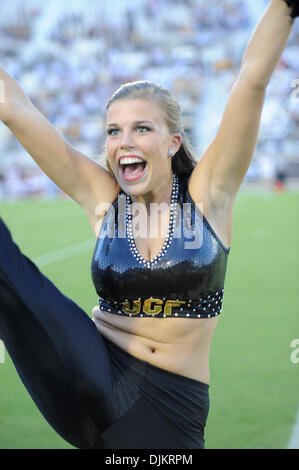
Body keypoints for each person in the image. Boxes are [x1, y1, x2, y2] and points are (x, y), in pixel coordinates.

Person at [0, 0, 297, 450]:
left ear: (172, 141)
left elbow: (251, 81)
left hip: (172, 406)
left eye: (141, 128)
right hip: (91, 372)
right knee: (19, 283)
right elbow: (18, 110)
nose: (123, 142)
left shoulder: (208, 197)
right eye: (113, 131)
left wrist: (285, 7)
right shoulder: (104, 201)